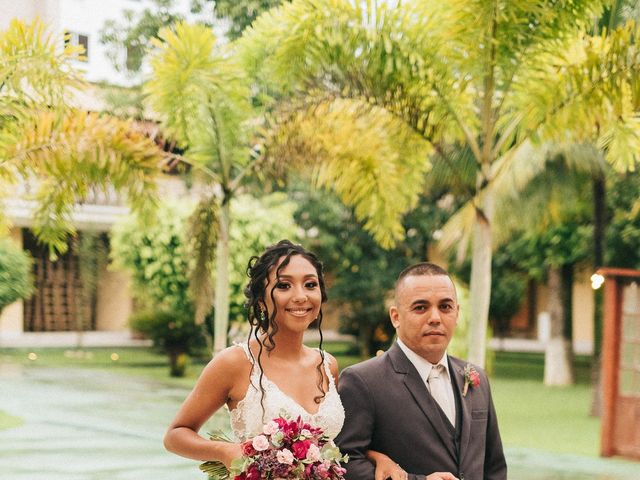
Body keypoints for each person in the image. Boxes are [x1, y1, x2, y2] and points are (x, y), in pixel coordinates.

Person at [163, 240, 345, 467]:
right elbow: (175, 435)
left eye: (310, 284)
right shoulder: (234, 363)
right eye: (283, 286)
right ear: (261, 301)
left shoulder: (328, 365)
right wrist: (226, 451)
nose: (301, 296)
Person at [335, 262, 507, 480]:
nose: (435, 317)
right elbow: (343, 464)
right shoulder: (363, 381)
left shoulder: (475, 377)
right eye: (421, 307)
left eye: (445, 307)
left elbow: (494, 467)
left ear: (456, 313)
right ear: (395, 317)